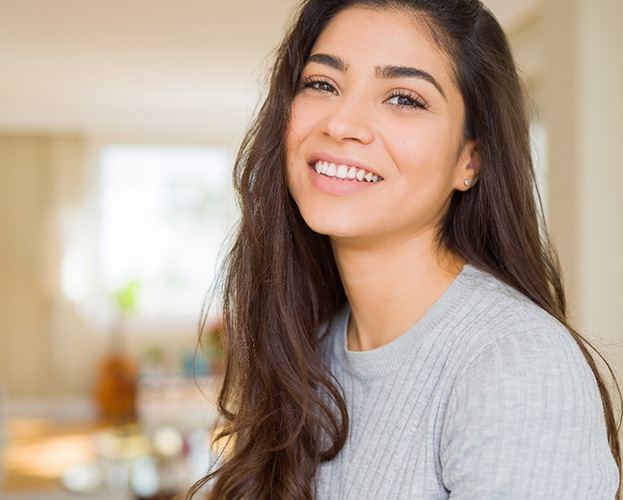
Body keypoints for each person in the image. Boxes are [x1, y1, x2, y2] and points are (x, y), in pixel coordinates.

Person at [188, 0, 621, 498]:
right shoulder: (308, 349)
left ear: (470, 160)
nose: (342, 124)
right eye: (322, 84)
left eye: (404, 99)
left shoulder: (515, 365)